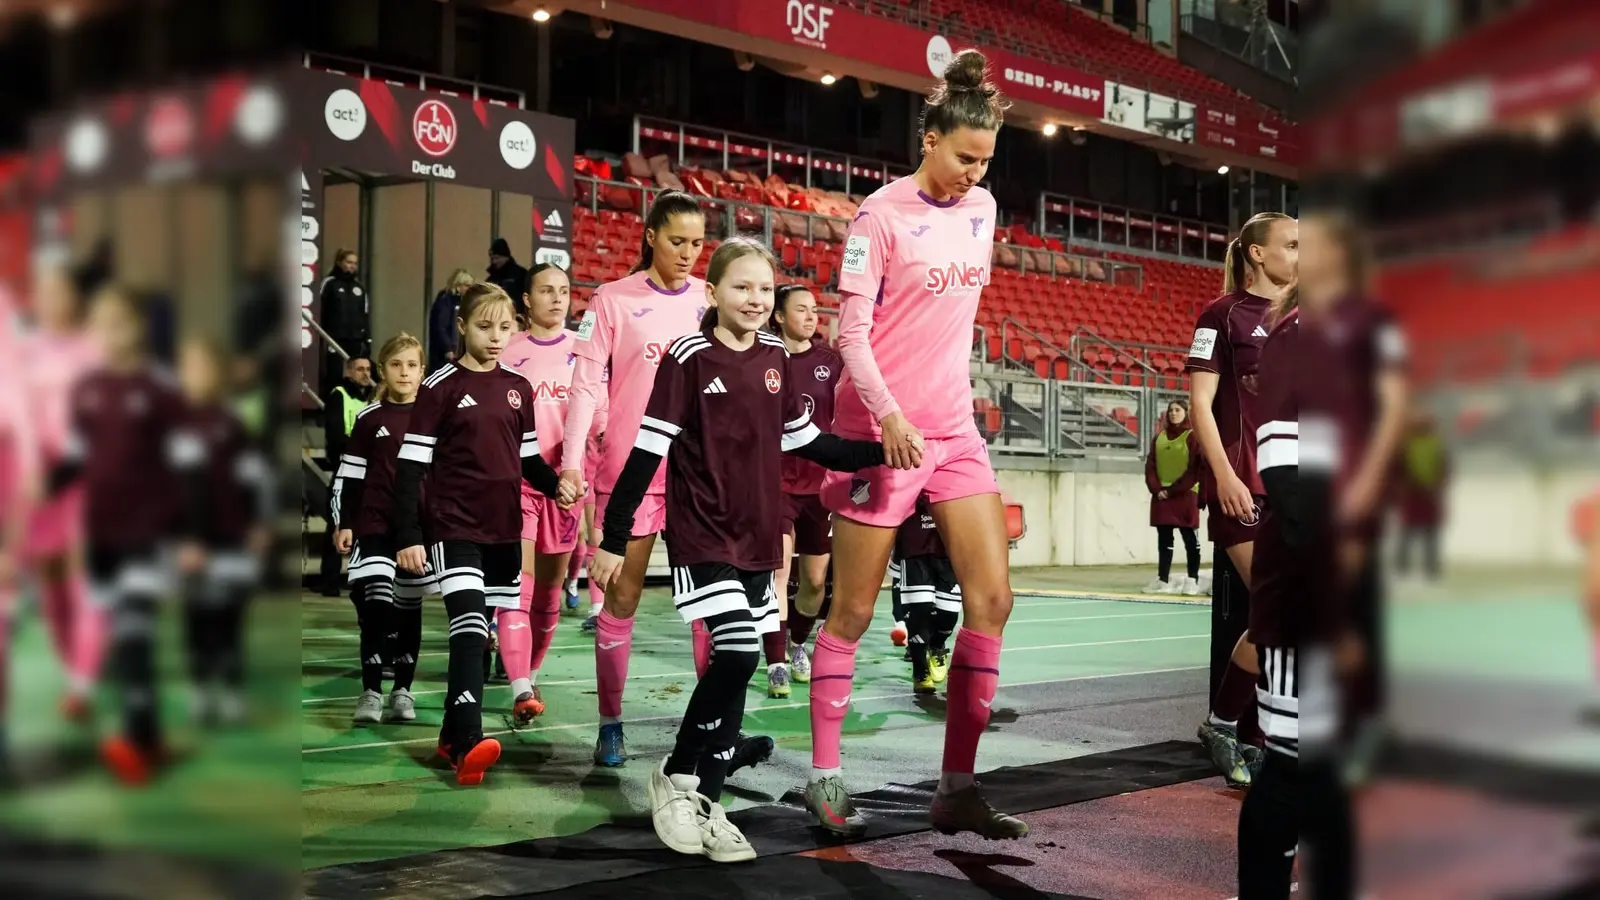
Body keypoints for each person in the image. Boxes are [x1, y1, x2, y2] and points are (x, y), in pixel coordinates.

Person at [587, 238, 884, 863]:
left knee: (738, 673)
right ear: (713, 292)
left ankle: (710, 803)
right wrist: (614, 538)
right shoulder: (689, 356)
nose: (753, 299)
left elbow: (811, 442)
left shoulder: (776, 356)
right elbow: (647, 453)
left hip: (755, 536)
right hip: (704, 533)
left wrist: (881, 450)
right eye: (741, 287)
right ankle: (675, 774)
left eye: (762, 289)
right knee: (742, 652)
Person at [804, 49, 1027, 839]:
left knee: (992, 599)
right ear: (929, 137)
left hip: (954, 430)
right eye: (965, 155)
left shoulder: (984, 210)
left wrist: (936, 410)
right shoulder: (878, 216)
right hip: (879, 433)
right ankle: (825, 777)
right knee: (856, 608)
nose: (974, 172)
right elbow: (852, 336)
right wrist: (890, 417)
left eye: (986, 160)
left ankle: (957, 787)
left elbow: (950, 325)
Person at [560, 189, 773, 771]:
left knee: (719, 614)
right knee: (622, 598)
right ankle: (610, 724)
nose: (687, 252)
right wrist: (574, 461)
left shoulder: (711, 304)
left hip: (696, 482)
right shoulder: (611, 299)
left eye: (697, 243)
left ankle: (717, 739)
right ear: (651, 235)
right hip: (630, 473)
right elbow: (584, 385)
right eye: (676, 240)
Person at [390, 283, 571, 786]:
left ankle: (450, 738)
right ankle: (468, 741)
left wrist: (558, 489)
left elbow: (528, 458)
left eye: (504, 327)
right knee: (469, 628)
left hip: (503, 531)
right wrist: (409, 534)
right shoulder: (439, 387)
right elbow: (410, 468)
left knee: (482, 632)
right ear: (462, 327)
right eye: (485, 326)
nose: (496, 337)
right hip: (453, 527)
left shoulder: (519, 388)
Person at [49, 284, 209, 785]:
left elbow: (188, 470)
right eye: (99, 324)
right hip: (102, 535)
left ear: (138, 327)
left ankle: (136, 744)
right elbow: (74, 461)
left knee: (134, 634)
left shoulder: (161, 392)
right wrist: (36, 500)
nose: (108, 333)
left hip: (150, 535)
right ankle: (151, 735)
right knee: (124, 642)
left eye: (118, 322)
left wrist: (189, 536)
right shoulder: (88, 390)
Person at [1187, 210, 1296, 788]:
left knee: (1286, 614)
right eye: (1292, 244)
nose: (1302, 255)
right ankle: (1228, 725)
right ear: (1258, 253)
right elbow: (1200, 404)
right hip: (1242, 484)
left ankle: (1248, 734)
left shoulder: (1303, 318)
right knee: (1281, 609)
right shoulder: (1220, 315)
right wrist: (1224, 476)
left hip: (1294, 485)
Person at [1300, 211, 1409, 771]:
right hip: (1314, 485)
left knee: (1341, 605)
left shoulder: (1374, 320)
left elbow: (1393, 408)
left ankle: (1364, 726)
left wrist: (1366, 483)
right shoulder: (1305, 321)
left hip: (1356, 485)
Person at [496, 263, 591, 725]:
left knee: (549, 595)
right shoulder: (507, 352)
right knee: (520, 584)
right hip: (517, 485)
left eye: (564, 290)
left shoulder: (586, 352)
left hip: (565, 488)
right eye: (546, 291)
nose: (557, 298)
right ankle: (519, 687)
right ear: (527, 300)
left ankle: (530, 672)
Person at [331, 332, 430, 725]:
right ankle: (371, 691)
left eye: (411, 365)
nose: (404, 372)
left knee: (408, 609)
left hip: (417, 532)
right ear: (382, 371)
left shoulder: (434, 418)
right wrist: (345, 522)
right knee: (375, 605)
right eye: (396, 364)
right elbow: (351, 477)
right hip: (373, 525)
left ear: (422, 371)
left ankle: (402, 691)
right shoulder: (369, 419)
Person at [17, 264, 103, 720]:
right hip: (35, 484)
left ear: (75, 297)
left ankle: (81, 683)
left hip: (85, 479)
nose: (51, 300)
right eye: (43, 291)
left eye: (60, 290)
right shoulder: (23, 352)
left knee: (83, 577)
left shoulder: (94, 350)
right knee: (50, 584)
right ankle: (73, 663)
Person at [177, 337, 271, 727]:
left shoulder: (231, 423)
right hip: (190, 546)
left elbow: (254, 476)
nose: (195, 375)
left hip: (232, 540)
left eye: (203, 366)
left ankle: (231, 688)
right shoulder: (175, 425)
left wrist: (259, 523)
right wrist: (184, 539)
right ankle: (200, 688)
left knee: (230, 620)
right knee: (196, 618)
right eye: (188, 367)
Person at [771, 285, 841, 696]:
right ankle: (777, 661)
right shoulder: (764, 359)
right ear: (778, 316)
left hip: (821, 486)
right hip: (777, 482)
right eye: (802, 309)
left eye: (815, 310)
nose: (812, 316)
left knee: (815, 581)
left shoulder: (831, 362)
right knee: (778, 574)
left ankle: (799, 644)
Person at [319, 355, 375, 596]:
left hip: (366, 470)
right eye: (359, 369)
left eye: (368, 369)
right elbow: (335, 434)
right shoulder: (338, 395)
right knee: (337, 523)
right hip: (345, 468)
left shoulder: (369, 399)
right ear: (349, 372)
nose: (365, 373)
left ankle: (354, 577)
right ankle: (328, 580)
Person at [894, 495, 961, 694]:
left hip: (947, 543)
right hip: (914, 542)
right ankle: (920, 670)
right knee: (919, 610)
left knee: (949, 614)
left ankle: (937, 645)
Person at [1144, 400, 1203, 595]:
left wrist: (1172, 491)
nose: (1173, 413)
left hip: (1185, 494)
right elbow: (1150, 466)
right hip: (1162, 495)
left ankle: (1192, 580)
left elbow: (1194, 470)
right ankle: (1163, 580)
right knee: (1164, 539)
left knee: (1190, 539)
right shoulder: (1159, 438)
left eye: (1177, 410)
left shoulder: (1192, 437)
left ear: (1185, 413)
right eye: (1170, 410)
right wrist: (1157, 489)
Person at [1394, 409, 1448, 580]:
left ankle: (1428, 570)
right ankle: (1405, 569)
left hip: (1425, 493)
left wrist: (1439, 486)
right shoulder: (1409, 445)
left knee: (1425, 535)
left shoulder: (1433, 445)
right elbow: (1401, 469)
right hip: (1417, 493)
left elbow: (1444, 468)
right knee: (1412, 534)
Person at [319, 248, 371, 373]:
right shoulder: (329, 283)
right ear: (339, 262)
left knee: (355, 373)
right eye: (349, 262)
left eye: (355, 263)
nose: (352, 266)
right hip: (334, 338)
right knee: (334, 372)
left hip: (355, 339)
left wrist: (368, 338)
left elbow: (365, 314)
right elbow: (320, 309)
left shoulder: (359, 287)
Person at [428, 268, 475, 373]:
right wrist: (448, 349)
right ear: (458, 285)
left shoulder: (462, 302)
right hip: (445, 354)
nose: (470, 289)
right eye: (467, 285)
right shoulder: (445, 302)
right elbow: (440, 327)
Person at [487, 238, 530, 320]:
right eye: (492, 259)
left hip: (516, 318)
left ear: (505, 257)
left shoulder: (520, 274)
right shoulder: (491, 278)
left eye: (497, 258)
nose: (494, 262)